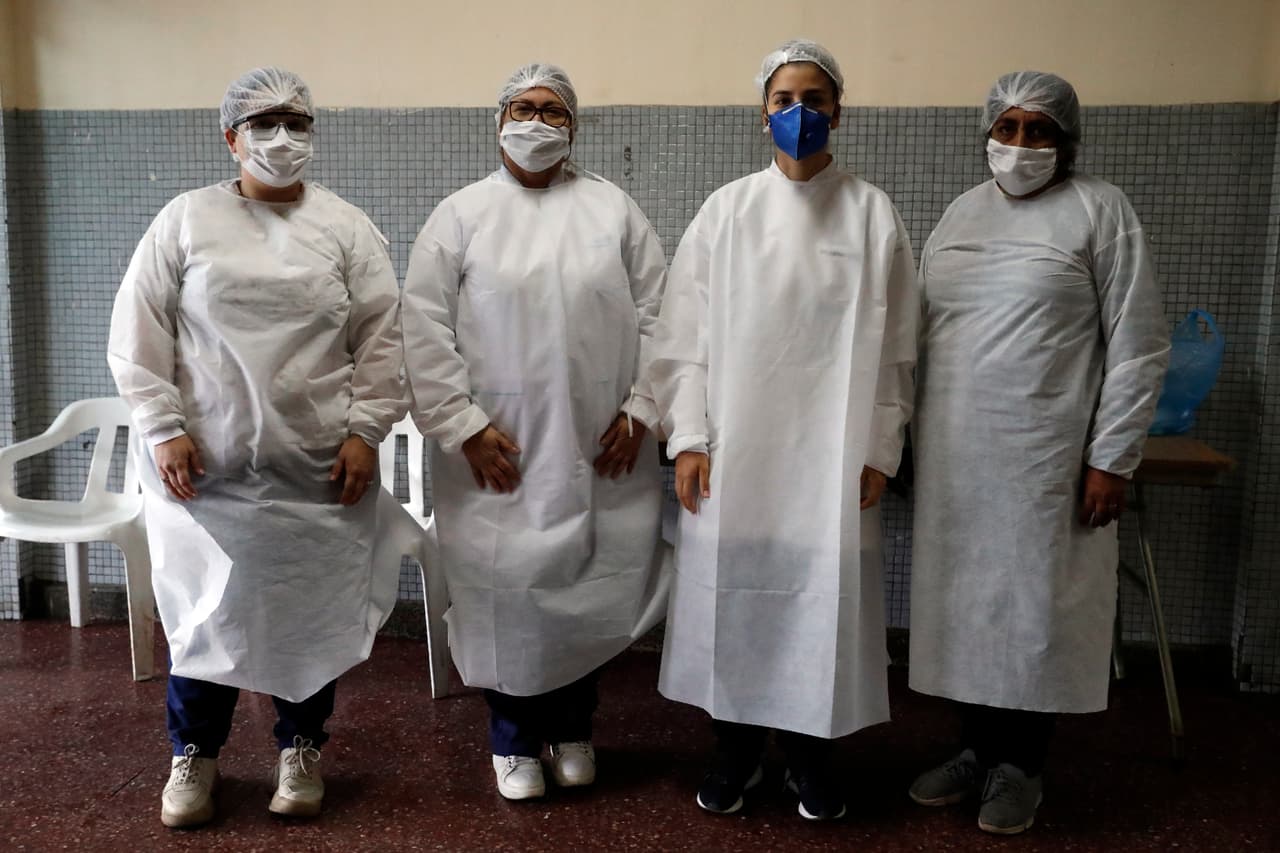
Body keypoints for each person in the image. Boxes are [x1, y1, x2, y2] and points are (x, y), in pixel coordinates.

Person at [107, 67, 407, 829]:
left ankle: (301, 746)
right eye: (263, 123)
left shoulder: (345, 228)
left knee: (306, 617)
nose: (280, 138)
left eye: (295, 123)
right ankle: (194, 754)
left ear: (313, 133)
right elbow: (140, 332)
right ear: (230, 136)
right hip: (205, 472)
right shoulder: (184, 221)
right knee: (205, 612)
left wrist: (367, 428)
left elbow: (382, 339)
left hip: (316, 468)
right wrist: (162, 426)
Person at [649, 39, 918, 821]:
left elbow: (900, 351)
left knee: (817, 604)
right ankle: (735, 753)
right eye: (783, 100)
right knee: (736, 601)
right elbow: (681, 341)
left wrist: (879, 449)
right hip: (737, 456)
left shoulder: (872, 215)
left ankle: (810, 757)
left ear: (839, 109)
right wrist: (689, 438)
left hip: (831, 460)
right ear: (762, 112)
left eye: (815, 98)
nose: (800, 113)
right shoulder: (726, 212)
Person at [906, 71, 1170, 835]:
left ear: (1067, 142)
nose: (1019, 145)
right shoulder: (961, 214)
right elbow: (924, 338)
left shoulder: (1100, 211)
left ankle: (1021, 764)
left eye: (1038, 131)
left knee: (1032, 610)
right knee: (965, 610)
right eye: (1008, 128)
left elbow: (1139, 344)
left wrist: (1112, 457)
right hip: (957, 458)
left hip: (1047, 460)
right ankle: (972, 749)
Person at [401, 63, 669, 801]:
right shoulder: (458, 217)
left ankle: (576, 727)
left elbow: (664, 317)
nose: (537, 122)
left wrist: (644, 409)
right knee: (507, 590)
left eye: (553, 111)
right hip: (498, 452)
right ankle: (513, 738)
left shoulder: (613, 212)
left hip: (597, 447)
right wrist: (462, 425)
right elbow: (421, 328)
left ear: (573, 127)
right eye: (524, 108)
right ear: (498, 120)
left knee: (585, 582)